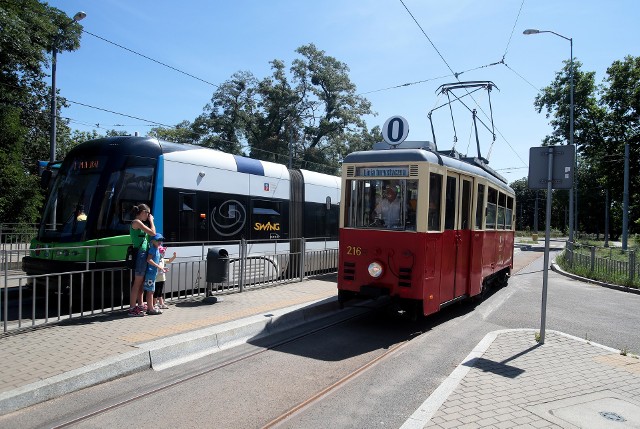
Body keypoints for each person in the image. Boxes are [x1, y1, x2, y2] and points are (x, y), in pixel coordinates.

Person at [128, 204, 156, 317]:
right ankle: (132, 308)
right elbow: (153, 233)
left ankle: (140, 304)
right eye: (148, 213)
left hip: (142, 253)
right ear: (143, 212)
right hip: (140, 253)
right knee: (137, 282)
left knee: (141, 282)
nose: (148, 216)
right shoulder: (137, 222)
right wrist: (152, 221)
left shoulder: (140, 223)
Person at [144, 234, 168, 315]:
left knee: (151, 290)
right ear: (152, 241)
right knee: (150, 291)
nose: (160, 242)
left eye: (161, 240)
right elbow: (149, 259)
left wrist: (162, 268)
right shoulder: (153, 249)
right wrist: (159, 267)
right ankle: (150, 308)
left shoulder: (157, 249)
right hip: (150, 273)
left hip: (153, 273)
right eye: (158, 240)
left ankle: (150, 307)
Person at [154, 245, 176, 310]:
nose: (163, 254)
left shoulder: (162, 260)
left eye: (163, 253)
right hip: (156, 279)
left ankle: (161, 304)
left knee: (160, 292)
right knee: (155, 292)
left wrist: (174, 257)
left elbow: (169, 260)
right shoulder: (155, 260)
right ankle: (154, 304)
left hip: (162, 278)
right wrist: (162, 268)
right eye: (162, 252)